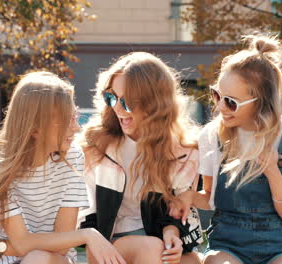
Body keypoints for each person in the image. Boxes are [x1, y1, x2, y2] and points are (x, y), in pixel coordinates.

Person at [170, 35, 282, 264]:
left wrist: (272, 172)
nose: (219, 107)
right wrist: (188, 196)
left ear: (260, 102)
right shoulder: (212, 136)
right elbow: (210, 198)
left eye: (230, 102)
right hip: (228, 244)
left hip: (280, 246)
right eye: (217, 95)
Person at [0, 71, 126, 264]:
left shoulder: (71, 157)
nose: (77, 128)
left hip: (52, 260)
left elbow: (62, 247)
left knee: (38, 258)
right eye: (67, 120)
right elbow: (21, 244)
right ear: (35, 128)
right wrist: (86, 235)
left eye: (76, 117)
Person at [79, 52, 203, 264]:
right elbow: (86, 215)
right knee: (151, 248)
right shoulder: (96, 146)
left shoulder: (183, 151)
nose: (117, 108)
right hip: (108, 243)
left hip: (157, 236)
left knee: (191, 261)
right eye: (112, 97)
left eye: (127, 102)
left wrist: (172, 234)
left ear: (155, 104)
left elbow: (179, 209)